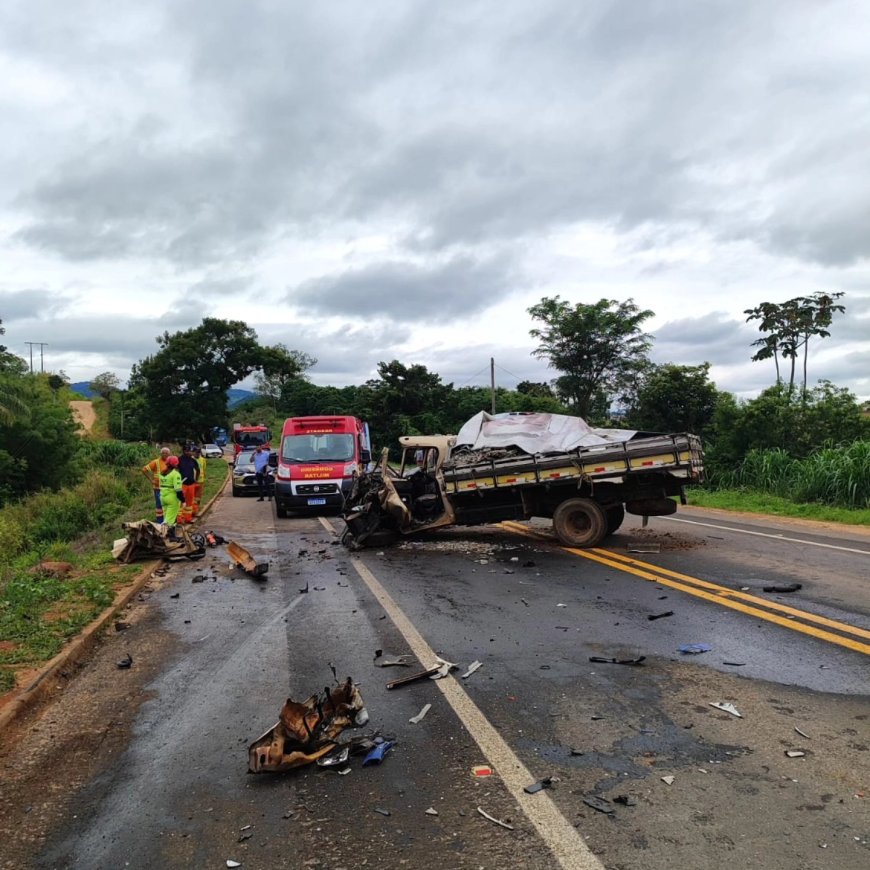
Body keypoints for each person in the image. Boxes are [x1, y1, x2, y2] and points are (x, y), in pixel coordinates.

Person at [159, 456, 186, 539]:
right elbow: (178, 490)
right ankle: (168, 536)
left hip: (163, 497)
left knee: (167, 517)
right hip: (172, 498)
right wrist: (183, 501)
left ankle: (170, 535)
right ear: (176, 464)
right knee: (170, 520)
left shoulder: (162, 473)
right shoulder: (176, 474)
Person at [142, 447, 171, 523]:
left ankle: (166, 521)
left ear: (169, 454)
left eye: (166, 453)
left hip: (168, 488)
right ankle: (160, 522)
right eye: (163, 453)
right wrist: (151, 480)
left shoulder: (170, 462)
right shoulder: (156, 462)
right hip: (158, 488)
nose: (164, 454)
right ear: (160, 454)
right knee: (159, 506)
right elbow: (144, 470)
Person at [177, 444, 200, 524]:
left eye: (189, 450)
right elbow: (173, 469)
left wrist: (196, 479)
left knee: (189, 503)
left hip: (191, 484)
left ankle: (188, 518)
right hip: (182, 484)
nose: (188, 452)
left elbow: (198, 470)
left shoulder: (192, 460)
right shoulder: (179, 459)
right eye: (187, 451)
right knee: (180, 502)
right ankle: (180, 519)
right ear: (183, 451)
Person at [194, 445, 207, 517]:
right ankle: (193, 510)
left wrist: (204, 477)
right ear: (194, 452)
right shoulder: (191, 459)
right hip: (193, 481)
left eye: (199, 453)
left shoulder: (203, 460)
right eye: (196, 453)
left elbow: (204, 469)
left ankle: (196, 510)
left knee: (198, 497)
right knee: (192, 497)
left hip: (201, 481)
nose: (198, 454)